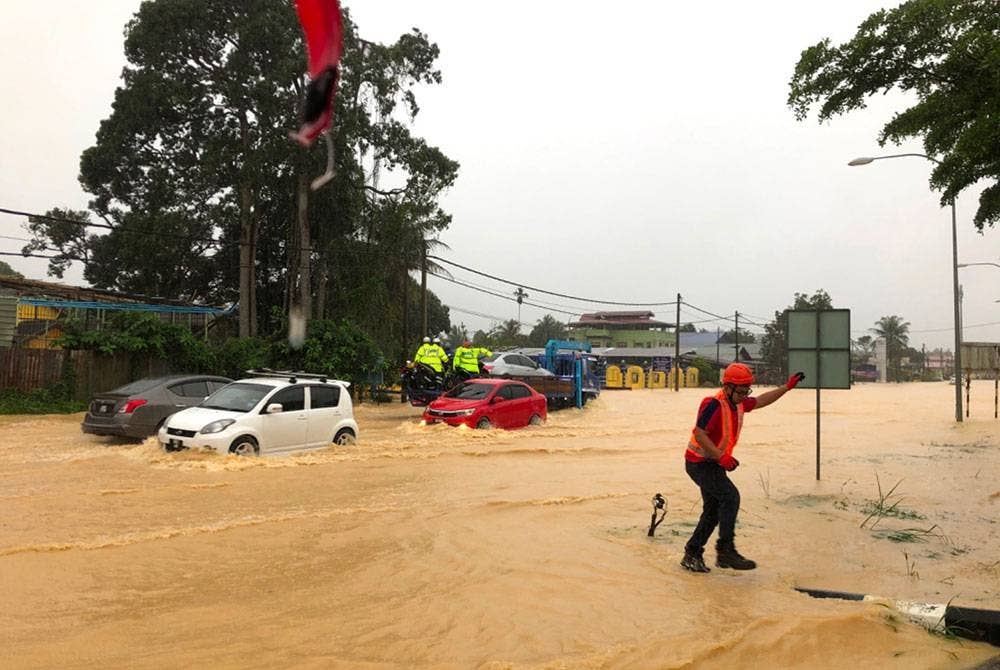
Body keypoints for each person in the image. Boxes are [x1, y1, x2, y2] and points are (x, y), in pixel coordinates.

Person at [680, 363, 805, 573]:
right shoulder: (712, 404)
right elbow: (700, 434)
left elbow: (761, 401)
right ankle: (725, 551)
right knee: (730, 497)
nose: (743, 395)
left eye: (747, 390)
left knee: (712, 511)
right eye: (740, 391)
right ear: (727, 387)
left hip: (713, 463)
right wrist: (721, 457)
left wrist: (786, 387)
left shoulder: (738, 403)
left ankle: (692, 554)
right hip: (699, 463)